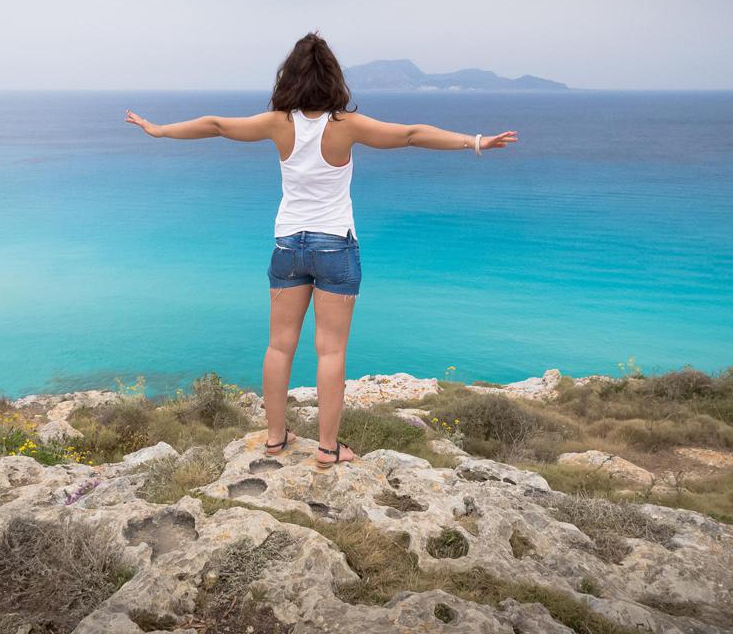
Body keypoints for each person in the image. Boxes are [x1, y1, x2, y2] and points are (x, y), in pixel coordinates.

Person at [125, 32, 517, 466]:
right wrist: (476, 142)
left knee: (279, 346)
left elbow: (216, 125)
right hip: (335, 247)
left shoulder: (278, 122)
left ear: (288, 78)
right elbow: (410, 134)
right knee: (330, 351)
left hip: (289, 245)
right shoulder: (345, 126)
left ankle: (275, 439)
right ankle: (328, 449)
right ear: (334, 80)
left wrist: (158, 130)